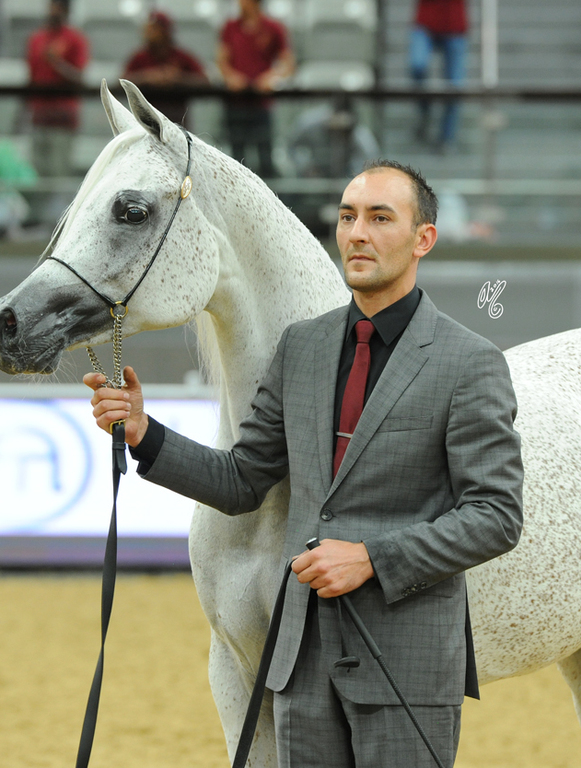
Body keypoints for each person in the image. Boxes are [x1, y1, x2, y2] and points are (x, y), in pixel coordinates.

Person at [85, 161, 524, 767]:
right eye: (347, 217)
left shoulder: (470, 362)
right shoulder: (302, 347)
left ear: (423, 239)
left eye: (379, 218)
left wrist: (372, 558)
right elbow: (243, 480)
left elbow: (495, 515)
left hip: (407, 666)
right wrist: (144, 432)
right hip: (301, 660)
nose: (357, 233)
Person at [217, 0, 295, 177]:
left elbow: (287, 63)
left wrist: (271, 78)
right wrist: (232, 78)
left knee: (265, 155)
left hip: (261, 104)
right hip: (236, 102)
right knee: (236, 158)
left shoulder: (273, 27)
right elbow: (222, 60)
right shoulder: (231, 27)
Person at [26, 0, 88, 178]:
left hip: (64, 118)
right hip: (39, 115)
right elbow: (31, 78)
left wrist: (56, 62)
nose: (53, 11)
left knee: (58, 173)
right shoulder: (36, 39)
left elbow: (79, 77)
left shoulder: (76, 39)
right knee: (36, 172)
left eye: (58, 7)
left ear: (66, 11)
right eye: (52, 6)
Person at [123, 10, 207, 127]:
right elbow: (123, 81)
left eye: (153, 29)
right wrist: (148, 77)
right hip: (146, 123)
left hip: (177, 123)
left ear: (165, 31)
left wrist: (178, 78)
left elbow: (204, 81)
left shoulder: (181, 56)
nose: (148, 32)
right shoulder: (140, 57)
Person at [410, 0, 468, 151]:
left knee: (455, 85)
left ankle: (447, 137)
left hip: (454, 24)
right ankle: (425, 110)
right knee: (418, 65)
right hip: (425, 21)